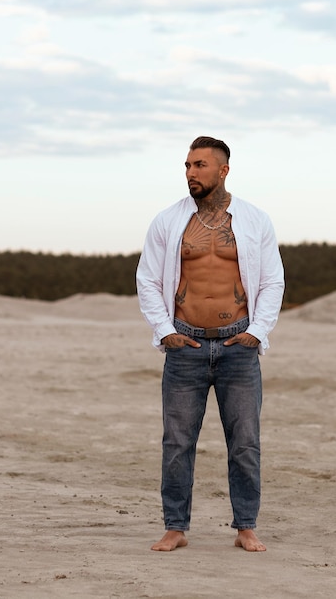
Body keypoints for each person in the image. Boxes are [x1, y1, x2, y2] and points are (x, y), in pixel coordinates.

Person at [136, 136, 284, 552]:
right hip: (186, 346)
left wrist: (258, 331)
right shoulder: (169, 221)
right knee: (177, 441)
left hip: (239, 345)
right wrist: (164, 331)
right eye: (186, 165)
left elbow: (273, 280)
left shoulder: (255, 220)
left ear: (223, 170)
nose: (190, 173)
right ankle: (175, 527)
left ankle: (246, 527)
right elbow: (147, 278)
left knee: (245, 441)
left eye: (199, 165)